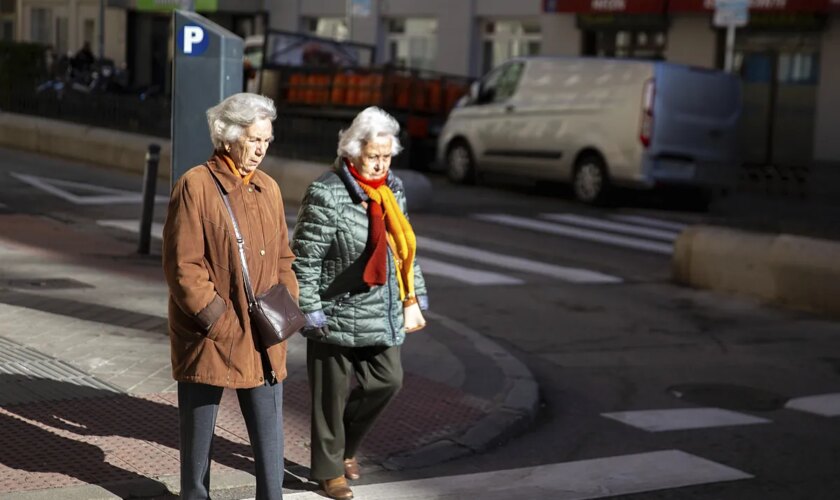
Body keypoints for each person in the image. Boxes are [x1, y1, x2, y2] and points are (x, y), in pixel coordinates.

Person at [162, 92, 297, 500]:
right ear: (228, 137)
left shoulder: (268, 188)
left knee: (270, 441)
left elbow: (284, 256)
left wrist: (286, 300)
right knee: (199, 443)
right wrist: (218, 320)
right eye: (254, 140)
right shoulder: (195, 185)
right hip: (211, 336)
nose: (261, 149)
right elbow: (183, 265)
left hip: (263, 331)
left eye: (267, 141)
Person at [292, 106, 429, 500]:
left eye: (386, 157)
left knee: (388, 380)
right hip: (333, 310)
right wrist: (311, 308)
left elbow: (405, 251)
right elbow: (305, 258)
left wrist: (413, 296)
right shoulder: (327, 191)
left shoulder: (392, 190)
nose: (380, 164)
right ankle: (329, 470)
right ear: (353, 151)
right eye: (373, 156)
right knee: (328, 397)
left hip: (380, 307)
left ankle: (346, 448)